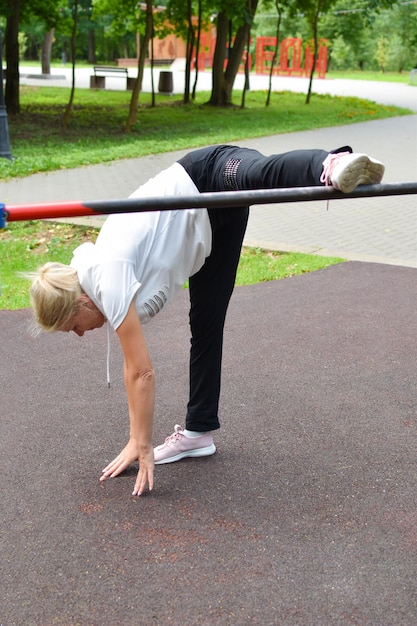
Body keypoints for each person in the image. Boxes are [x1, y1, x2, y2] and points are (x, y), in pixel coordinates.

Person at [28, 144, 385, 496]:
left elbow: (141, 372)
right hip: (208, 237)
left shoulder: (106, 275)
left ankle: (333, 163)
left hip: (206, 178)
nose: (78, 334)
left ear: (80, 302)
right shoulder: (99, 287)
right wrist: (135, 439)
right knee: (206, 325)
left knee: (257, 176)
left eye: (71, 325)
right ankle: (198, 432)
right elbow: (129, 365)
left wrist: (144, 443)